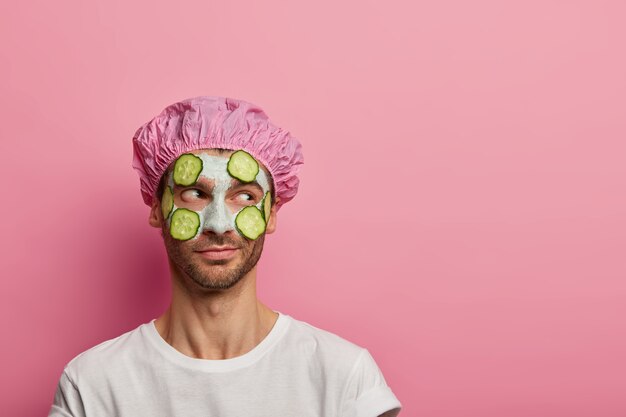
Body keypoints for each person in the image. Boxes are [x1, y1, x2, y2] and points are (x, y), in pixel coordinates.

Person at [48, 96, 402, 417]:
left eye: (244, 196)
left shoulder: (345, 378)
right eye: (194, 193)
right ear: (157, 209)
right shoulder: (91, 387)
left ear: (272, 214)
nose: (218, 225)